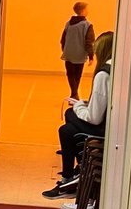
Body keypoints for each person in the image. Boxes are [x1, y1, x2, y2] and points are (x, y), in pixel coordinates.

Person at [42, 30, 113, 200]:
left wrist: (79, 105)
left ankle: (73, 175)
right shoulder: (115, 68)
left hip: (104, 129)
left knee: (67, 123)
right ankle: (73, 174)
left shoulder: (104, 74)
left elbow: (94, 117)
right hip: (110, 125)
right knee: (67, 128)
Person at [60, 0, 95, 98]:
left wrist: (65, 49)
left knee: (70, 74)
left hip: (69, 53)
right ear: (83, 11)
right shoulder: (87, 25)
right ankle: (74, 94)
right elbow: (89, 41)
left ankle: (74, 94)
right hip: (80, 54)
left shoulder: (68, 23)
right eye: (87, 9)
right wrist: (91, 55)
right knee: (77, 75)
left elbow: (63, 39)